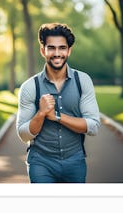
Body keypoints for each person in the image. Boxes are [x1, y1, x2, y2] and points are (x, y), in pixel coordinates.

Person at [16, 22, 100, 183]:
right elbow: (23, 134)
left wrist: (57, 117)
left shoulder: (82, 81)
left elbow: (93, 126)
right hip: (40, 163)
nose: (57, 53)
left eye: (62, 48)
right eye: (51, 48)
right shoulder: (29, 87)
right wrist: (41, 114)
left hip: (75, 161)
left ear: (69, 50)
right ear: (43, 51)